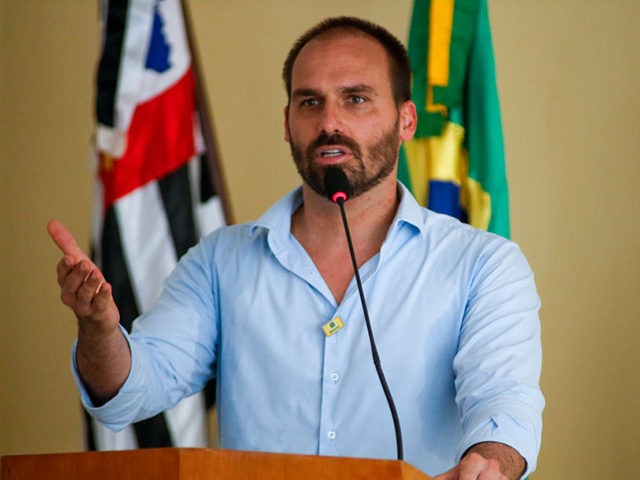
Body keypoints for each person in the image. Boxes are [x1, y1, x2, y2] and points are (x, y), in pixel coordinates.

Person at [48, 16, 543, 480]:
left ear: (406, 121)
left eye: (355, 100)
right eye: (310, 102)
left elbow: (503, 402)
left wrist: (488, 461)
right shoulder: (221, 261)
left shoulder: (483, 264)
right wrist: (100, 329)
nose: (330, 122)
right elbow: (130, 394)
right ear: (287, 123)